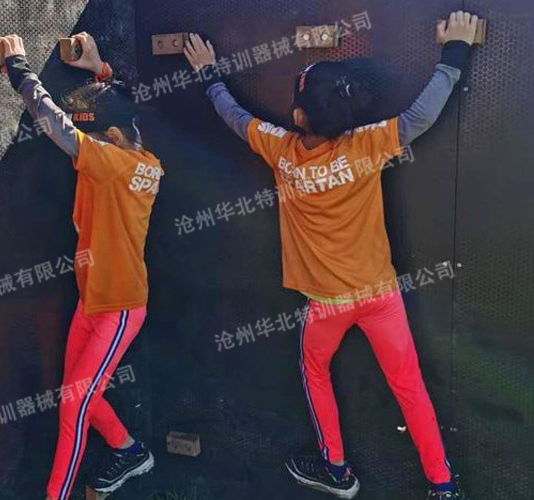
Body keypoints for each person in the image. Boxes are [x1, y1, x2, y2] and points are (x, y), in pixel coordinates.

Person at [183, 11, 478, 500]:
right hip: (381, 295)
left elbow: (233, 116)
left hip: (327, 304)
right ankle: (442, 485)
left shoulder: (280, 150)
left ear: (299, 117)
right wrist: (455, 52)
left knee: (314, 371)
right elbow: (420, 117)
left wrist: (208, 74)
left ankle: (337, 471)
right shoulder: (367, 143)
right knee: (410, 386)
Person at [0, 32, 163, 500]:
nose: (85, 139)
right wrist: (100, 69)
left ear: (112, 139)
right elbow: (129, 110)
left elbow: (56, 125)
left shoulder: (109, 163)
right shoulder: (144, 156)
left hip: (119, 308)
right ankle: (129, 450)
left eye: (94, 133)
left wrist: (20, 71)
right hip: (93, 301)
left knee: (73, 406)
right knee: (77, 393)